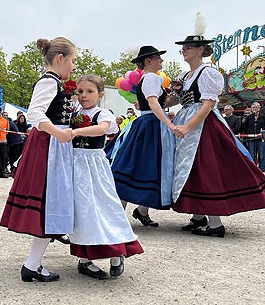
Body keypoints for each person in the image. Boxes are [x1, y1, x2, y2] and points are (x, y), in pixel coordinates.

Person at [171, 28, 265, 236]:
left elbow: (208, 104)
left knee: (207, 167)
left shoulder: (209, 73)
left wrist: (188, 126)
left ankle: (215, 224)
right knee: (191, 168)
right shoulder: (184, 75)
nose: (184, 50)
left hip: (204, 125)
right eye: (183, 48)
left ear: (200, 49)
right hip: (188, 119)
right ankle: (197, 217)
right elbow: (176, 100)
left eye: (188, 47)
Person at [0, 37, 75, 282]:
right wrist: (59, 133)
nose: (74, 67)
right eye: (73, 61)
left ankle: (33, 264)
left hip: (52, 144)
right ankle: (32, 265)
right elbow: (35, 113)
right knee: (48, 203)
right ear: (60, 58)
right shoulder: (48, 81)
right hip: (48, 146)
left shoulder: (55, 82)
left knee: (51, 204)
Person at [69, 75, 143, 279]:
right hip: (74, 165)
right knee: (81, 210)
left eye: (90, 91)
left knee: (106, 207)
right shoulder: (72, 112)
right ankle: (84, 259)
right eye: (80, 91)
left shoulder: (102, 114)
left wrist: (75, 132)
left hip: (94, 165)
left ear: (101, 95)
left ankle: (117, 251)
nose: (84, 95)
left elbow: (104, 129)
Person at [110, 46, 177, 227]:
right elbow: (154, 103)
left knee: (145, 165)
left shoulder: (145, 79)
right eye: (158, 58)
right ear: (148, 61)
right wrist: (169, 123)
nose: (161, 61)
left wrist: (178, 93)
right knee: (140, 165)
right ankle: (118, 214)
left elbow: (156, 102)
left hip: (147, 123)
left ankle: (141, 211)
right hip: (152, 125)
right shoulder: (152, 77)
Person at [242, 102, 265, 171]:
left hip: (261, 139)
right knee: (252, 154)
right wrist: (243, 122)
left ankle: (262, 170)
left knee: (262, 155)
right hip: (251, 139)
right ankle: (254, 170)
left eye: (256, 107)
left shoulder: (263, 117)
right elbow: (244, 128)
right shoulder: (248, 117)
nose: (255, 109)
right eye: (254, 107)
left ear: (259, 108)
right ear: (251, 109)